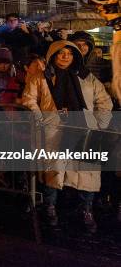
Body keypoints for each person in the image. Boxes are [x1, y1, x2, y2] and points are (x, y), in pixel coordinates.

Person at [22, 40, 112, 233]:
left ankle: (87, 211)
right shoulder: (41, 77)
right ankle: (50, 208)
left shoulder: (88, 78)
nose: (65, 56)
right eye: (61, 53)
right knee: (54, 172)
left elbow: (104, 101)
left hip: (85, 129)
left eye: (69, 53)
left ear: (76, 56)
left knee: (87, 173)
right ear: (53, 55)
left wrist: (98, 124)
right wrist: (42, 119)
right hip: (55, 129)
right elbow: (29, 99)